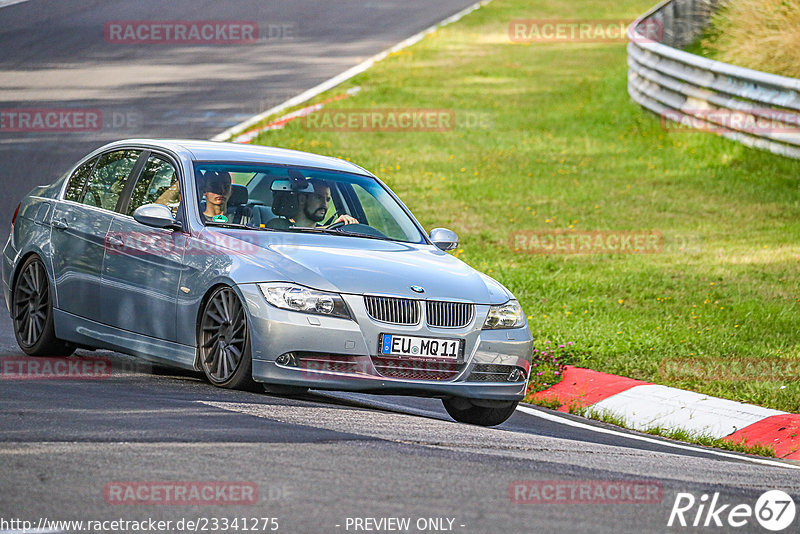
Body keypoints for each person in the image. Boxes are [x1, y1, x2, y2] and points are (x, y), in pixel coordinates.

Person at [271, 179, 358, 228]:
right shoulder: (277, 227)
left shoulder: (327, 232)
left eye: (327, 199)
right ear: (302, 199)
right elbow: (299, 234)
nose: (324, 204)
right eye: (319, 198)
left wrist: (338, 226)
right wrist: (331, 228)